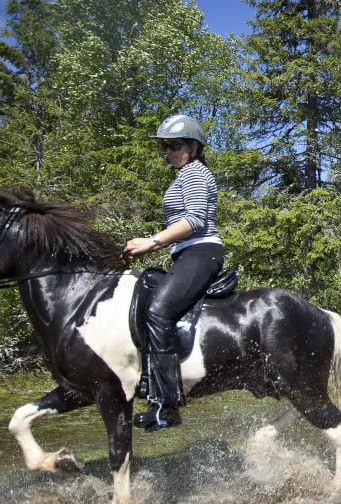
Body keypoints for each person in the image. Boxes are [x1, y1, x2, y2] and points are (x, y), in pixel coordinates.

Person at [123, 114, 224, 432]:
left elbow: (194, 220)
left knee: (159, 309)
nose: (168, 152)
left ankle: (165, 405)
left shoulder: (194, 173)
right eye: (164, 146)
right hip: (186, 253)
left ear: (193, 147)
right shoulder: (183, 175)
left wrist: (151, 242)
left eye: (174, 145)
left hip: (201, 251)